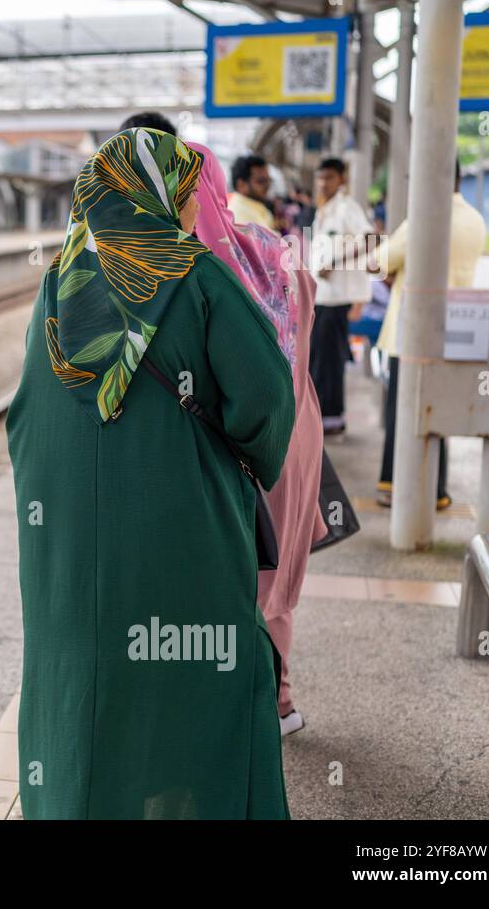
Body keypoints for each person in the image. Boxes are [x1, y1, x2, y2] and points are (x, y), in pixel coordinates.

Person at [6, 127, 296, 819]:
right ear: (159, 193)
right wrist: (249, 462)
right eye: (189, 192)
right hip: (178, 518)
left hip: (64, 538)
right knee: (212, 667)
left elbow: (25, 413)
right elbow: (264, 400)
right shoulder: (196, 276)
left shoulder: (58, 283)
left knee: (82, 675)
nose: (196, 208)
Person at [189, 142, 326, 739]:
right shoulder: (275, 249)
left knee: (235, 577)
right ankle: (280, 701)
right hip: (298, 426)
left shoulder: (197, 270)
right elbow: (309, 319)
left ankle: (246, 704)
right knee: (276, 576)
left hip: (243, 446)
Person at [373, 158, 486, 509]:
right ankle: (436, 489)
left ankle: (395, 484)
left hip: (410, 332)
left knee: (402, 411)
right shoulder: (476, 220)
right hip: (455, 332)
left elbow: (379, 261)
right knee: (437, 412)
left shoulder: (424, 216)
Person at [309, 157, 374, 435]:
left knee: (330, 361)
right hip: (322, 296)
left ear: (342, 179)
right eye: (321, 178)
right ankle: (322, 416)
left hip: (336, 298)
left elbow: (371, 239)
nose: (324, 183)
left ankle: (332, 420)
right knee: (319, 360)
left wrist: (335, 263)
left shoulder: (348, 208)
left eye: (330, 178)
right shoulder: (324, 209)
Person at [228, 155, 276, 230]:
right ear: (241, 185)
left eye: (268, 180)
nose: (267, 186)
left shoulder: (256, 206)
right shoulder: (240, 216)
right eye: (261, 181)